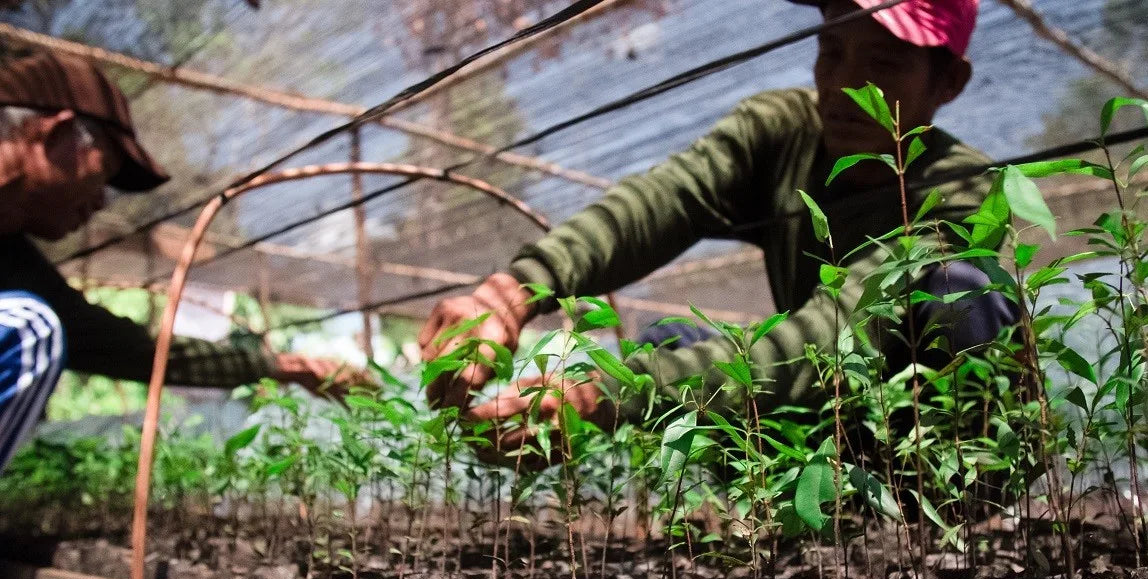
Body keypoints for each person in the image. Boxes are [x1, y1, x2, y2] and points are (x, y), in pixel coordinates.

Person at [419, 0, 1018, 453]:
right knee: (661, 345)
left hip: (917, 433)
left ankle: (959, 523)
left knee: (965, 289)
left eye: (884, 63)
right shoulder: (784, 130)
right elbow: (664, 200)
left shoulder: (963, 191)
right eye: (830, 52)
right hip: (821, 430)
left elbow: (836, 334)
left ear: (948, 84)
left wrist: (608, 395)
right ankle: (771, 526)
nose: (841, 87)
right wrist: (516, 289)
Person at [0, 52, 359, 471]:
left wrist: (282, 366)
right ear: (55, 134)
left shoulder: (14, 263)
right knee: (31, 327)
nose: (100, 202)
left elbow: (131, 350)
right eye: (105, 174)